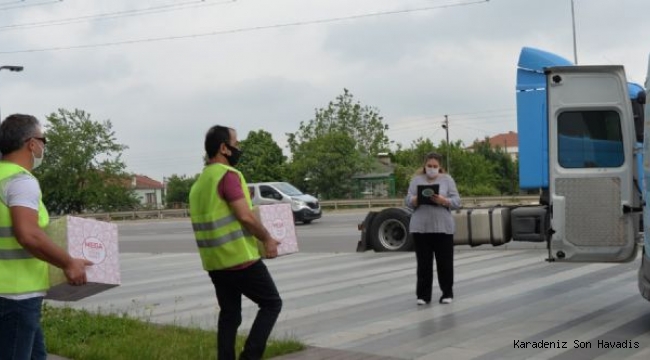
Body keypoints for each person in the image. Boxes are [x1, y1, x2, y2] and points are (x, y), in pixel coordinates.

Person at [0, 114, 91, 360]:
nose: (43, 147)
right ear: (31, 144)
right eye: (43, 140)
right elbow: (28, 235)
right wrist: (68, 262)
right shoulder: (20, 181)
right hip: (16, 294)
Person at [189, 125, 282, 360]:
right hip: (240, 260)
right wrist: (267, 239)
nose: (238, 148)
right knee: (272, 304)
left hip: (215, 263)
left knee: (230, 315)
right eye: (236, 143)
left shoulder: (199, 184)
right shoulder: (228, 175)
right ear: (224, 148)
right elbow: (245, 216)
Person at [405, 152, 460, 305]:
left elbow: (457, 201)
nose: (432, 169)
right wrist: (415, 199)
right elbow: (407, 200)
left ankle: (447, 293)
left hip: (443, 228)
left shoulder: (447, 180)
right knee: (423, 264)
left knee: (445, 263)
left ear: (440, 167)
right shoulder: (416, 180)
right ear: (424, 165)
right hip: (421, 228)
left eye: (435, 166)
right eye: (429, 166)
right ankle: (423, 296)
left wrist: (443, 200)